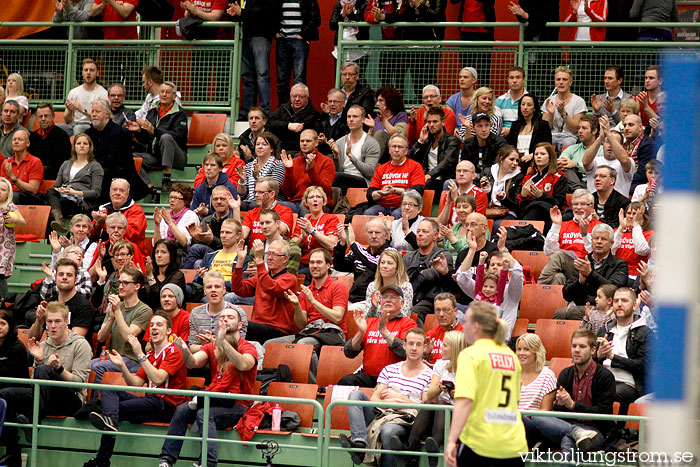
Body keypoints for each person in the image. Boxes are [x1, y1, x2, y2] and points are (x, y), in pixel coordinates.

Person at [83, 311, 187, 467]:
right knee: (107, 389)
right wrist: (122, 366)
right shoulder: (151, 354)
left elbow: (158, 378)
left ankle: (102, 458)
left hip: (166, 405)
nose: (154, 328)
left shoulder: (175, 351)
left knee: (112, 411)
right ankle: (110, 423)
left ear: (169, 331)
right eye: (151, 325)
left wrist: (139, 353)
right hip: (150, 401)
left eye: (159, 325)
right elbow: (136, 383)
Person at [158, 307, 257, 467]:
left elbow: (244, 364)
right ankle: (166, 460)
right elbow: (192, 362)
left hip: (238, 405)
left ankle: (207, 463)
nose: (225, 319)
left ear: (239, 325)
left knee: (204, 414)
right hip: (214, 399)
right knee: (182, 409)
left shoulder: (247, 347)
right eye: (222, 317)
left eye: (230, 317)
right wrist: (184, 350)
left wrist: (222, 342)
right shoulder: (212, 346)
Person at [1, 304, 90, 467]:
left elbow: (80, 384)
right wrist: (39, 360)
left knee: (44, 370)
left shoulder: (80, 345)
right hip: (46, 399)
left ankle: (34, 420)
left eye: (57, 321)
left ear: (66, 321)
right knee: (5, 394)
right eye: (49, 322)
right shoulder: (43, 345)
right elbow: (37, 383)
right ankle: (12, 452)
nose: (53, 326)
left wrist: (59, 369)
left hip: (71, 400)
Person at [445, 301, 527, 467]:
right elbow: (516, 402)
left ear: (475, 326)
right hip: (514, 445)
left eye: (466, 321)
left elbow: (464, 401)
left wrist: (452, 440)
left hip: (481, 444)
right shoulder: (511, 356)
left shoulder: (470, 355)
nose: (463, 325)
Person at [340, 327, 432, 467]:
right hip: (382, 413)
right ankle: (359, 444)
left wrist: (400, 399)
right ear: (404, 345)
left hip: (406, 419)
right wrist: (390, 401)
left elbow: (425, 409)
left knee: (388, 431)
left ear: (424, 347)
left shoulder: (429, 375)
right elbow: (374, 400)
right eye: (411, 343)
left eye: (418, 344)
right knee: (355, 395)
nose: (414, 348)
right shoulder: (390, 369)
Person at [524, 329, 615, 461]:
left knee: (568, 440)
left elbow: (604, 413)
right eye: (574, 346)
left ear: (593, 350)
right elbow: (557, 412)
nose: (576, 350)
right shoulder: (565, 374)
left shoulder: (605, 376)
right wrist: (559, 403)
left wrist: (572, 405)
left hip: (594, 430)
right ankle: (575, 432)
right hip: (563, 427)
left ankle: (575, 433)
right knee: (536, 416)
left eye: (582, 346)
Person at [267, 248, 348, 382]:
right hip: (310, 331)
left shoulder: (338, 287)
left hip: (332, 332)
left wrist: (313, 301)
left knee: (304, 343)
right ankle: (270, 382)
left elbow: (337, 317)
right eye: (311, 262)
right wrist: (297, 305)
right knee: (270, 344)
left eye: (319, 262)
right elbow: (300, 324)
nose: (314, 266)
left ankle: (314, 385)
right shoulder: (306, 291)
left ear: (328, 265)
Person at [395, 329, 464, 467]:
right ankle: (412, 450)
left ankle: (426, 450)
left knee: (443, 407)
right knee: (429, 404)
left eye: (445, 345)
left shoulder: (470, 367)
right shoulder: (440, 364)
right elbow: (429, 395)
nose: (440, 348)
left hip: (461, 416)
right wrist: (440, 387)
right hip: (439, 413)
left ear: (455, 348)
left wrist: (458, 394)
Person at [339, 285, 417, 387]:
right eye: (385, 297)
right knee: (345, 382)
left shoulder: (408, 323)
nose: (388, 300)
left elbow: (406, 352)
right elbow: (348, 352)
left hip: (394, 379)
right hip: (368, 376)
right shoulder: (369, 322)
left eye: (393, 297)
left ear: (402, 303)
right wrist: (361, 333)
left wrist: (384, 332)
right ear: (380, 301)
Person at [595, 287, 651, 414]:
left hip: (628, 384)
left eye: (624, 301)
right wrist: (598, 356)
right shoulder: (605, 330)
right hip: (602, 379)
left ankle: (615, 432)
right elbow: (590, 361)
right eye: (616, 301)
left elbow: (643, 365)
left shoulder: (645, 332)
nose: (619, 304)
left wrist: (612, 357)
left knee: (609, 394)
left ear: (634, 304)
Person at [92, 268, 153, 385]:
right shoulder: (116, 307)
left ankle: (97, 401)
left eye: (125, 283)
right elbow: (100, 338)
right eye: (120, 282)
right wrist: (110, 317)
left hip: (132, 359)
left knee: (98, 367)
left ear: (137, 286)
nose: (120, 286)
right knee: (89, 364)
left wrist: (117, 311)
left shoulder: (144, 310)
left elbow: (128, 336)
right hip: (114, 356)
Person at [231, 239, 298, 343]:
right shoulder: (261, 277)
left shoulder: (290, 279)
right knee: (227, 322)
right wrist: (240, 260)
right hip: (258, 328)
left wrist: (259, 260)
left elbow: (270, 287)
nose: (269, 258)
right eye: (268, 254)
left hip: (278, 330)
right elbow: (238, 289)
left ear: (285, 259)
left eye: (274, 255)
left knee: (237, 325)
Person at [558, 224, 629, 319]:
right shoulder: (583, 262)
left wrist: (590, 274)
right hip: (581, 304)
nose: (599, 242)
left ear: (611, 243)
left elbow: (613, 290)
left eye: (603, 239)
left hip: (604, 308)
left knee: (572, 312)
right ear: (591, 241)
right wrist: (580, 282)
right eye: (596, 238)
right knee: (560, 313)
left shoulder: (620, 265)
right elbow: (566, 295)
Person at [128, 81, 188, 195]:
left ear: (174, 96)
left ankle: (166, 178)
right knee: (129, 158)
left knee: (166, 137)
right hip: (156, 155)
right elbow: (146, 139)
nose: (164, 95)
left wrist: (154, 131)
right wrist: (138, 130)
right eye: (162, 92)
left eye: (168, 92)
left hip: (177, 156)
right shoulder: (152, 111)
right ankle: (150, 188)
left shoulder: (180, 114)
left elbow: (178, 136)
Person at [455, 240, 523, 340]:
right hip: (475, 337)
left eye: (499, 265)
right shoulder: (482, 289)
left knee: (496, 309)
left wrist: (503, 249)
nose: (495, 267)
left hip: (497, 339)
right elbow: (461, 278)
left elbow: (517, 273)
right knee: (453, 308)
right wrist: (472, 250)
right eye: (492, 264)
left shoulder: (512, 290)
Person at [85, 100, 149, 202]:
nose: (93, 114)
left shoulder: (118, 132)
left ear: (107, 114)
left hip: (119, 173)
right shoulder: (88, 133)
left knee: (103, 172)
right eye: (92, 111)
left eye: (97, 111)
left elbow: (113, 160)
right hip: (97, 168)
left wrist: (92, 166)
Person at [539, 189, 602, 285]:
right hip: (566, 269)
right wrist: (556, 225)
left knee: (559, 255)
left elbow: (598, 255)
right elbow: (548, 252)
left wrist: (585, 235)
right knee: (558, 278)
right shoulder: (563, 225)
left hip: (588, 269)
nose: (578, 207)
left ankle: (538, 287)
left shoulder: (599, 227)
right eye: (576, 204)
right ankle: (550, 299)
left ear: (592, 207)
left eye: (583, 204)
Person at [228, 0, 279, 118]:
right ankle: (246, 111)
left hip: (260, 36)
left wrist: (242, 12)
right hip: (243, 35)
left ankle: (264, 111)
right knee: (247, 76)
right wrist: (233, 12)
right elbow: (234, 8)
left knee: (262, 75)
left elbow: (266, 13)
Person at [48, 133, 104, 232]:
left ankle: (55, 225)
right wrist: (61, 190)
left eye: (85, 143)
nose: (81, 146)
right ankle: (58, 220)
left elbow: (96, 193)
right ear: (74, 147)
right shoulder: (66, 164)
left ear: (90, 147)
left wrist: (73, 192)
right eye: (78, 143)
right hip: (63, 196)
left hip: (80, 202)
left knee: (54, 204)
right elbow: (56, 186)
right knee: (50, 192)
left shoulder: (95, 166)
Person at [334, 216, 393, 310]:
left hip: (375, 302)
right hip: (352, 300)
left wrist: (353, 244)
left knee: (343, 312)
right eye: (370, 232)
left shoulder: (390, 253)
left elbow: (374, 264)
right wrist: (342, 244)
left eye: (377, 232)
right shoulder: (360, 252)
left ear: (386, 235)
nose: (373, 236)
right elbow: (339, 266)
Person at [404, 219, 454, 325]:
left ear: (435, 236)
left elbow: (428, 278)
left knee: (413, 312)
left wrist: (419, 275)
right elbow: (404, 280)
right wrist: (422, 274)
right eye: (418, 231)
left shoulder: (443, 256)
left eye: (425, 231)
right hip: (409, 297)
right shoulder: (408, 257)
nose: (420, 234)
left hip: (431, 300)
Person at [32, 257, 94, 340]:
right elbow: (33, 338)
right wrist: (39, 320)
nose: (64, 277)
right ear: (55, 278)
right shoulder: (49, 303)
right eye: (61, 274)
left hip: (73, 351)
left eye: (69, 275)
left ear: (76, 280)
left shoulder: (83, 306)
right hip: (50, 350)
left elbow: (74, 340)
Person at [365, 133, 425, 217]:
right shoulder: (381, 168)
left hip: (405, 206)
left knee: (396, 214)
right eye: (393, 146)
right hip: (382, 206)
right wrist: (381, 193)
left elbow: (417, 192)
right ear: (389, 150)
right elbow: (370, 194)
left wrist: (394, 190)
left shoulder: (415, 166)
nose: (396, 150)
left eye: (400, 147)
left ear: (406, 150)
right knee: (368, 213)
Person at [188, 271, 249, 353]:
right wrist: (209, 347)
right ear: (204, 291)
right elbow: (192, 347)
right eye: (209, 287)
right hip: (202, 359)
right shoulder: (195, 313)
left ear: (224, 290)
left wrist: (213, 344)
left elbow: (239, 347)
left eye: (217, 287)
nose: (213, 290)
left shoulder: (237, 312)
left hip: (230, 359)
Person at [275, 0, 320, 105]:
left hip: (299, 40)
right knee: (282, 79)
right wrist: (276, 32)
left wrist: (303, 34)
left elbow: (316, 18)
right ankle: (283, 110)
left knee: (299, 79)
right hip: (282, 39)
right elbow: (272, 14)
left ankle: (300, 110)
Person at [183, 187, 240, 269]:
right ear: (211, 201)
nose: (219, 202)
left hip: (228, 254)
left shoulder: (236, 219)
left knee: (197, 252)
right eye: (215, 199)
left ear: (229, 200)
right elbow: (203, 245)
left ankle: (184, 275)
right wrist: (196, 238)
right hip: (210, 255)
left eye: (223, 199)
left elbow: (237, 243)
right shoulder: (206, 220)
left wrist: (212, 239)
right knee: (197, 261)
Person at [516, 142, 567, 233]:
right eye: (536, 154)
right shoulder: (527, 178)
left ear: (550, 157)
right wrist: (523, 196)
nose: (538, 156)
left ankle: (523, 234)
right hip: (528, 212)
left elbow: (559, 202)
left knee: (537, 206)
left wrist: (542, 196)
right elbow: (518, 206)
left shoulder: (559, 177)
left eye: (542, 154)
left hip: (550, 214)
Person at [280, 130, 335, 214]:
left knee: (306, 206)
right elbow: (288, 193)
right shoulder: (294, 162)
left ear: (316, 143)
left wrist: (311, 170)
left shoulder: (327, 161)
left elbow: (326, 190)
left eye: (308, 141)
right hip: (295, 203)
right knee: (273, 205)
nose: (304, 143)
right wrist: (289, 170)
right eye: (302, 141)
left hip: (318, 203)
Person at [330, 105, 380, 193]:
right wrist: (336, 156)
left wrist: (351, 156)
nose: (351, 119)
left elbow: (369, 172)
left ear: (363, 120)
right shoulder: (340, 142)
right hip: (342, 179)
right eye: (349, 116)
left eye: (355, 116)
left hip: (362, 180)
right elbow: (338, 169)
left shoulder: (371, 143)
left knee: (336, 177)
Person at [409, 107, 461, 192]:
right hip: (425, 180)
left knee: (422, 185)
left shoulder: (451, 140)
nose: (431, 125)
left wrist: (429, 175)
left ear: (443, 122)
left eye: (435, 122)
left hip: (443, 181)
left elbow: (447, 162)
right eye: (429, 122)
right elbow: (410, 158)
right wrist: (420, 142)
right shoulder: (427, 140)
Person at [90, 178, 147, 255]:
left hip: (130, 254)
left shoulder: (136, 211)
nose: (117, 193)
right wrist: (98, 225)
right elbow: (90, 236)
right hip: (103, 252)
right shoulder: (103, 209)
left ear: (128, 194)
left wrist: (105, 222)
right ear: (110, 192)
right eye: (114, 190)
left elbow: (132, 234)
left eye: (122, 190)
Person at [291, 186, 339, 278]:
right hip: (303, 263)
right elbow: (292, 247)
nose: (315, 200)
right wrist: (303, 238)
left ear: (323, 201)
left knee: (303, 274)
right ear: (306, 202)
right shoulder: (303, 220)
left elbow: (332, 245)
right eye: (311, 197)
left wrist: (312, 231)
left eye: (318, 197)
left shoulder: (331, 218)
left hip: (322, 263)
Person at [583, 116, 634, 197]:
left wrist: (608, 134)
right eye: (607, 142)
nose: (610, 145)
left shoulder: (629, 161)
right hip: (594, 206)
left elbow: (624, 160)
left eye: (613, 142)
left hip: (618, 205)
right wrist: (600, 138)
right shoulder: (595, 161)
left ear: (621, 146)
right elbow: (585, 162)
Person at [237, 133, 285, 211]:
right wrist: (242, 181)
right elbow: (242, 194)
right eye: (257, 144)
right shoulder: (249, 166)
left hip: (270, 201)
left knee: (254, 205)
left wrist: (257, 177)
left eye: (264, 144)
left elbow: (274, 188)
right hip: (250, 200)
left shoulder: (277, 164)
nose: (260, 147)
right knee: (237, 205)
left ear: (271, 149)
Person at [268, 83, 321, 153]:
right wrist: (288, 125)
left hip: (301, 151)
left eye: (301, 97)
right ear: (290, 97)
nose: (297, 99)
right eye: (294, 96)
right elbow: (269, 123)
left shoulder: (313, 113)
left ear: (307, 98)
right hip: (280, 149)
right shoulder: (283, 108)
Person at [543, 66, 587, 148]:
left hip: (570, 138)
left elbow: (576, 128)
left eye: (565, 79)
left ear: (570, 82)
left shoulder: (579, 101)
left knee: (567, 143)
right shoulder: (549, 101)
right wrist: (551, 114)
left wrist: (563, 113)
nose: (561, 82)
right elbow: (545, 129)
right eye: (558, 79)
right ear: (555, 82)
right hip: (551, 137)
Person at [62, 58, 108, 136]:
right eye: (86, 70)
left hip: (92, 126)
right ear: (82, 73)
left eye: (92, 70)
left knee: (79, 128)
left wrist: (82, 110)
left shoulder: (103, 93)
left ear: (97, 73)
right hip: (74, 125)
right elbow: (67, 120)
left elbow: (103, 120)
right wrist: (70, 110)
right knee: (56, 128)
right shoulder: (73, 92)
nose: (88, 73)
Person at [241, 176, 294, 244]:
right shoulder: (251, 213)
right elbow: (242, 236)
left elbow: (279, 231)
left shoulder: (285, 211)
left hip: (276, 252)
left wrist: (266, 209)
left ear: (272, 194)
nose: (256, 195)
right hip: (254, 252)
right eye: (255, 192)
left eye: (261, 192)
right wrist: (236, 209)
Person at [480, 145, 523, 227]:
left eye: (517, 161)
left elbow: (517, 206)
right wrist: (487, 190)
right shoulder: (488, 172)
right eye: (511, 159)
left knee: (497, 225)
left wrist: (504, 199)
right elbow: (480, 200)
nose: (515, 163)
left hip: (508, 213)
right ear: (501, 159)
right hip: (489, 210)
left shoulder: (519, 177)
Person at [506, 93, 552, 170]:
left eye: (529, 105)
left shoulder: (543, 125)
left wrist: (532, 155)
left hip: (534, 160)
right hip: (516, 160)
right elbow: (510, 145)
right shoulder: (515, 125)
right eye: (523, 104)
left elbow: (547, 146)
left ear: (534, 108)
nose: (525, 107)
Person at [0, 129, 45, 205]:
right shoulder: (7, 163)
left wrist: (13, 178)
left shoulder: (35, 162)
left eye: (20, 140)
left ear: (27, 143)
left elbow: (33, 189)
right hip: (10, 196)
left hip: (32, 198)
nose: (16, 142)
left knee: (14, 196)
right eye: (14, 140)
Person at [558, 115, 602, 192]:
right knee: (565, 168)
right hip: (573, 184)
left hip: (592, 184)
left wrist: (576, 165)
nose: (580, 131)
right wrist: (561, 163)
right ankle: (579, 191)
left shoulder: (602, 150)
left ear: (594, 131)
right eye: (579, 128)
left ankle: (579, 192)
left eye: (584, 128)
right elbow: (561, 162)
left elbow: (600, 172)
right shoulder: (572, 148)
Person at [28, 102, 72, 180]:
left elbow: (60, 162)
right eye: (40, 116)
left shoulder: (61, 135)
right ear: (37, 118)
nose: (43, 119)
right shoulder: (32, 136)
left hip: (54, 175)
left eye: (46, 116)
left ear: (53, 117)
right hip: (34, 173)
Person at [365, 249, 413, 318]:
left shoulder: (405, 287)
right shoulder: (372, 286)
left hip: (396, 326)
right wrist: (374, 307)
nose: (385, 266)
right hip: (375, 327)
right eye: (382, 262)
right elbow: (367, 319)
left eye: (390, 263)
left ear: (397, 268)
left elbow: (405, 316)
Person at [141, 239, 186, 311]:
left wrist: (150, 277)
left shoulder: (177, 276)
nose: (159, 255)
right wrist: (138, 279)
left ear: (171, 255)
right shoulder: (152, 275)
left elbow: (162, 300)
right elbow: (144, 299)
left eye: (163, 252)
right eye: (156, 252)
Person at [517, 333, 557, 414]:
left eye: (526, 349)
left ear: (536, 352)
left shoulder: (547, 376)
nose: (521, 353)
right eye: (519, 349)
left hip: (534, 422)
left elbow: (545, 413)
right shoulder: (510, 373)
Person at [364, 86, 408, 159]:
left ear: (390, 101)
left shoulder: (400, 116)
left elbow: (399, 135)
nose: (377, 104)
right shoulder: (376, 120)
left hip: (394, 153)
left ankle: (370, 163)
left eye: (381, 100)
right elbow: (370, 143)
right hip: (378, 155)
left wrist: (385, 122)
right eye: (377, 101)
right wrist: (371, 129)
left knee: (381, 133)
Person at [142, 285, 191, 350]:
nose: (166, 299)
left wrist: (159, 343)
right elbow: (147, 349)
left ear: (178, 299)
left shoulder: (186, 318)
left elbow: (184, 349)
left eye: (170, 296)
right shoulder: (156, 318)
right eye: (163, 296)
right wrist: (153, 345)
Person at [459, 112, 507, 178]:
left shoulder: (499, 143)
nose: (484, 130)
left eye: (486, 125)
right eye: (479, 126)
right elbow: (464, 165)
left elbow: (499, 167)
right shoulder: (468, 144)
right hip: (471, 179)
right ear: (473, 128)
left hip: (492, 179)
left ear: (490, 125)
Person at [0, 177, 25, 299]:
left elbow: (23, 222)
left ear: (8, 193)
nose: (0, 192)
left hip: (5, 246)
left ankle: (5, 299)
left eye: (3, 190)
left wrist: (15, 220)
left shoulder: (10, 206)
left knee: (0, 273)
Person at [613, 202, 653, 279]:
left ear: (643, 218)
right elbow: (610, 250)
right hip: (617, 273)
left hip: (637, 276)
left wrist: (636, 225)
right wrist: (621, 228)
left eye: (635, 214)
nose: (631, 216)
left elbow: (641, 250)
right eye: (628, 213)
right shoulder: (617, 232)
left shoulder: (649, 234)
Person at [153, 184, 200, 248]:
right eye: (170, 197)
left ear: (185, 201)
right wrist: (157, 225)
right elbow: (156, 244)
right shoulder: (166, 216)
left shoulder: (190, 215)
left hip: (182, 253)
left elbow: (184, 242)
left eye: (176, 198)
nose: (172, 200)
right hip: (164, 251)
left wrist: (170, 223)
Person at [623, 114, 658, 193]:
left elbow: (642, 173)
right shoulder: (624, 144)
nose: (626, 128)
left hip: (639, 184)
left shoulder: (648, 145)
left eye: (631, 125)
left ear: (640, 127)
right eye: (624, 125)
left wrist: (623, 181)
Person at [425, 293, 464, 363]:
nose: (441, 314)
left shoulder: (463, 335)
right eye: (438, 310)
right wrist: (426, 354)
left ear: (455, 311)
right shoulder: (430, 335)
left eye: (446, 310)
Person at [316, 88, 349, 157]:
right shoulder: (322, 118)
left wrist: (326, 141)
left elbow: (343, 143)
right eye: (330, 101)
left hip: (339, 155)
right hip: (319, 153)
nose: (332, 104)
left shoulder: (348, 119)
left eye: (336, 102)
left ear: (343, 104)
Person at [0, 309, 29, 387]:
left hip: (17, 386)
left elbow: (8, 374)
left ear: (10, 326)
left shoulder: (17, 347)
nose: (0, 327)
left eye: (3, 324)